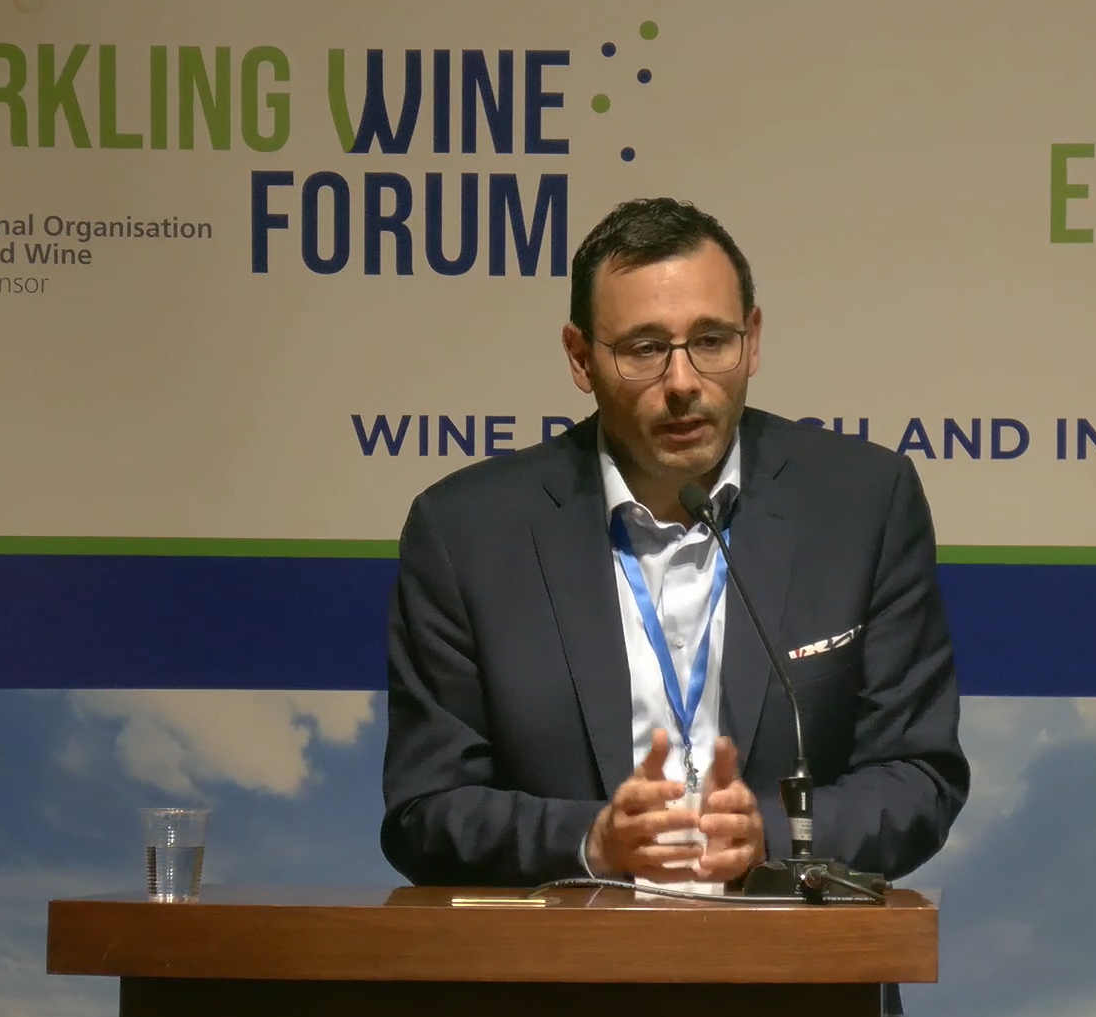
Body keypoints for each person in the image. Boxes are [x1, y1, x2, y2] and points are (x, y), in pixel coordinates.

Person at [379, 196, 969, 896]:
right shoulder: (467, 534)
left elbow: (917, 777)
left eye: (711, 341)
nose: (683, 383)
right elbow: (425, 810)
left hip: (788, 956)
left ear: (753, 339)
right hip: (567, 954)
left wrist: (773, 835)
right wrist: (591, 841)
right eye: (645, 349)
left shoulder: (861, 506)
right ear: (580, 358)